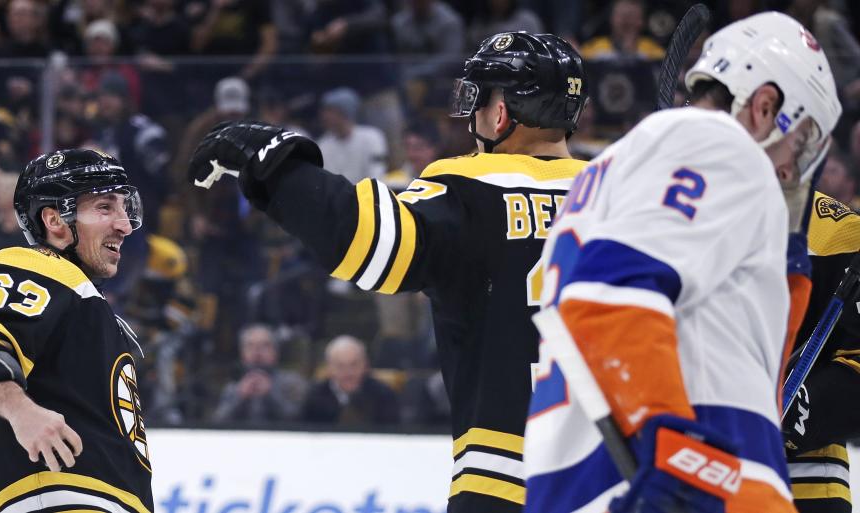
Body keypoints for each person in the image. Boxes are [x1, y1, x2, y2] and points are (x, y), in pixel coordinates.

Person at [189, 31, 588, 513]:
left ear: (501, 112)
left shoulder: (470, 189)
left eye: (481, 99)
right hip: (620, 472)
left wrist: (275, 163)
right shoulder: (623, 192)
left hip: (507, 477)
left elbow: (364, 242)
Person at [524, 11, 841, 513]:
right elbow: (610, 295)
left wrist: (790, 259)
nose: (791, 169)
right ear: (765, 105)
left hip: (583, 474)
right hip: (689, 478)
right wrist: (676, 455)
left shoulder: (606, 170)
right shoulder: (720, 144)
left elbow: (748, 354)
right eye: (801, 142)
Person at [0, 149, 153, 512]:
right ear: (54, 220)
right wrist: (21, 410)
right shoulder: (35, 265)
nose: (124, 224)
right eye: (104, 208)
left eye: (123, 207)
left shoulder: (82, 300)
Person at [783, 190, 860, 513]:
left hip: (799, 479)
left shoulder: (836, 233)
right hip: (666, 457)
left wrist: (806, 410)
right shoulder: (653, 208)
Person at [211, 323, 308, 423]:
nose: (256, 351)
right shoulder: (233, 387)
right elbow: (217, 422)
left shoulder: (292, 383)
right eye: (250, 346)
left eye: (264, 346)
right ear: (242, 354)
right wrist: (240, 397)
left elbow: (299, 419)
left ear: (276, 352)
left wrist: (270, 394)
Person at [301, 335, 399, 425]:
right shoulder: (313, 398)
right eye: (340, 366)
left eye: (354, 364)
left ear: (365, 365)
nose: (348, 372)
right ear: (329, 368)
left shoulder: (383, 396)